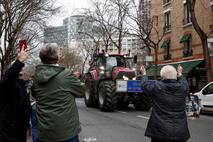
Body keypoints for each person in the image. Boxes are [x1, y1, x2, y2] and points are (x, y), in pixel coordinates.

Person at [32, 43, 85, 142]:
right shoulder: (66, 74)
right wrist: (74, 79)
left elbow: (35, 95)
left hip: (45, 133)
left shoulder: (36, 77)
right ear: (57, 58)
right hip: (67, 133)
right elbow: (82, 91)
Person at [140, 64, 190, 142]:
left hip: (159, 133)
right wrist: (180, 73)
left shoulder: (156, 87)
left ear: (162, 77)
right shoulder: (183, 88)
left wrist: (144, 74)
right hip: (180, 133)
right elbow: (184, 83)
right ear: (175, 76)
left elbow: (145, 85)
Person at [0, 48, 32, 141]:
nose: (22, 67)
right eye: (19, 67)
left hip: (20, 130)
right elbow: (8, 78)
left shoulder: (21, 84)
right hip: (10, 132)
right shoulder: (8, 84)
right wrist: (19, 60)